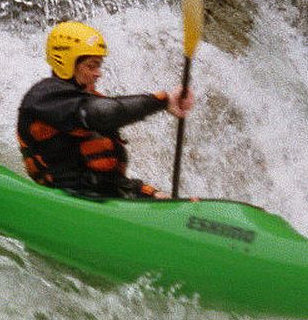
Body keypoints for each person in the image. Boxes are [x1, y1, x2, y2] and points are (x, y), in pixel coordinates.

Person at [16, 21, 194, 199]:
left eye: (99, 65)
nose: (98, 73)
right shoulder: (43, 98)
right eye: (91, 66)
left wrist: (149, 194)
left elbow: (108, 180)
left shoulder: (89, 99)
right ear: (67, 64)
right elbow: (104, 114)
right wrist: (162, 101)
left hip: (99, 197)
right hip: (64, 197)